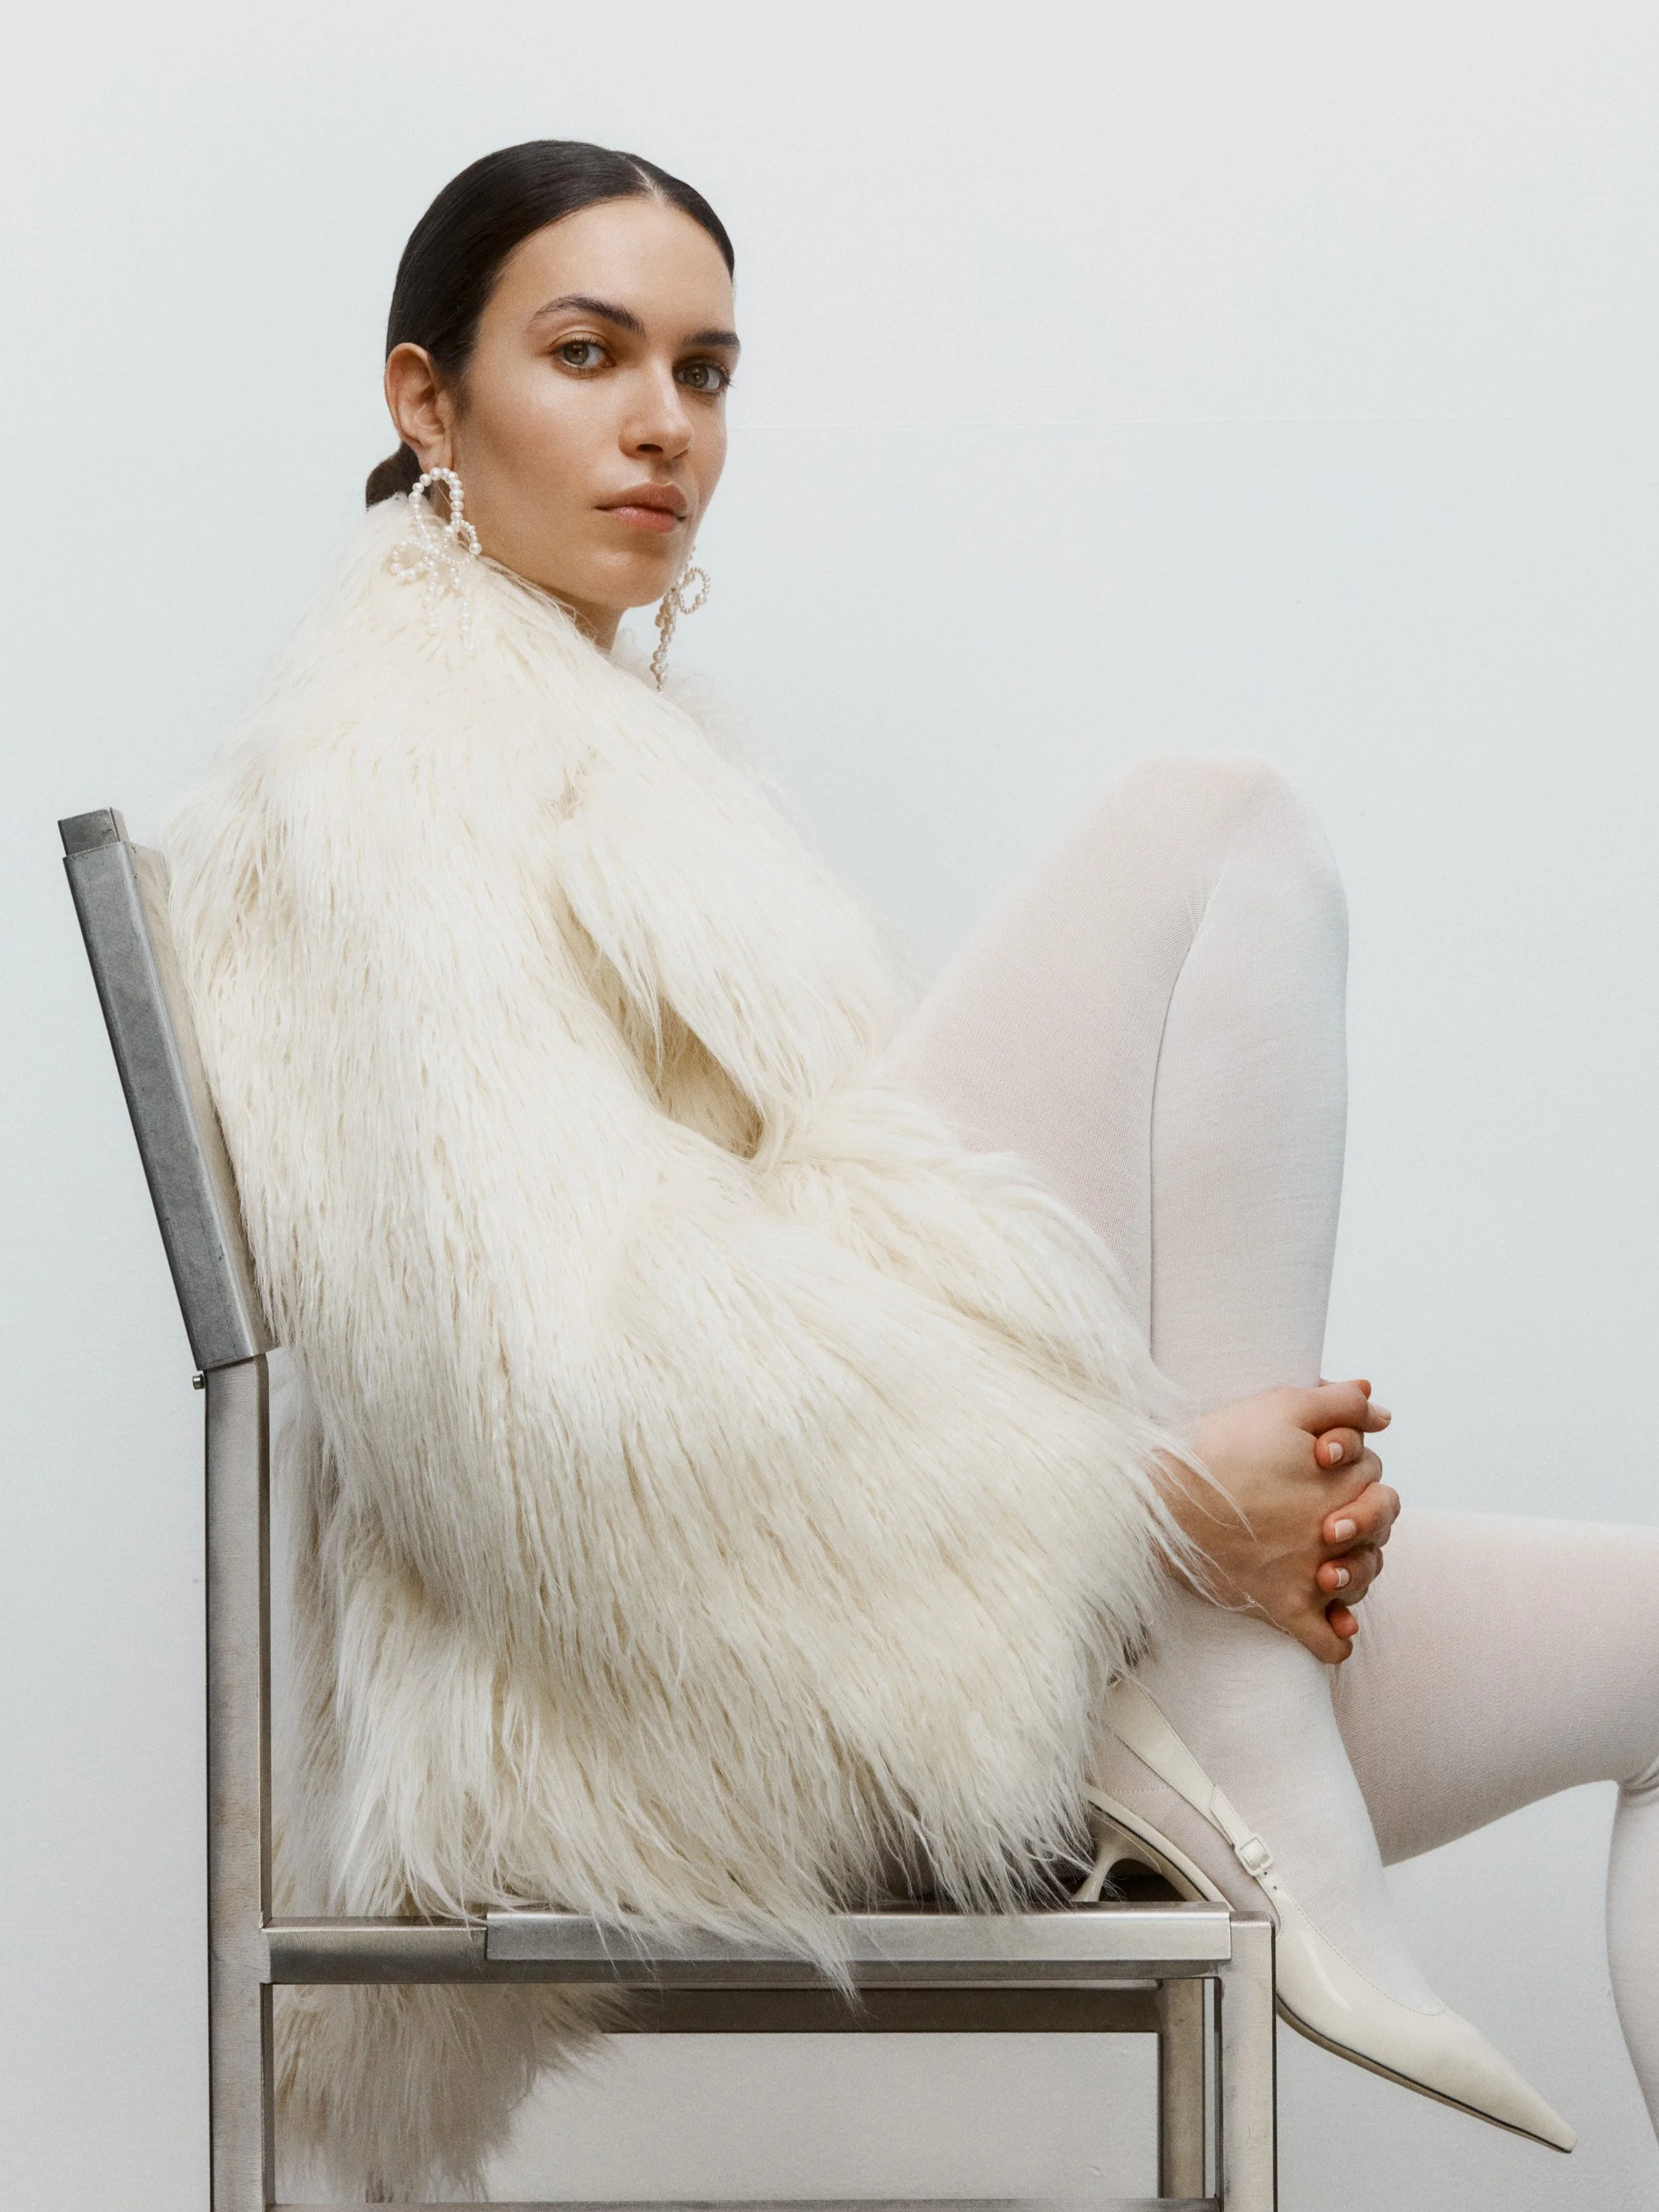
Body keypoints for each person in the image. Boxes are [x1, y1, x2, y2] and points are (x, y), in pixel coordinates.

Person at [158, 140, 1659, 2198]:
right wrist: (1148, 1508)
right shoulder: (385, 786)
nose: (664, 425)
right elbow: (547, 1426)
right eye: (588, 355)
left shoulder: (639, 767)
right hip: (701, 1716)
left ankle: (1229, 1723)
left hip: (969, 1648)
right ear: (427, 398)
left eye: (704, 371)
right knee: (1210, 829)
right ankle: (1238, 1731)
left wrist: (1158, 1528)